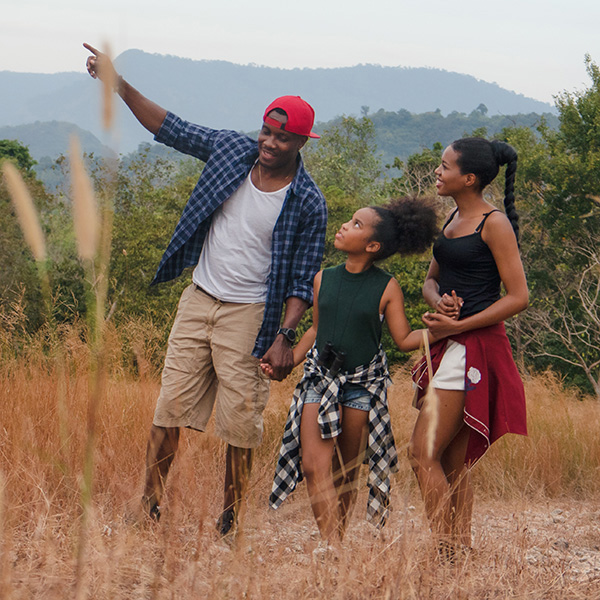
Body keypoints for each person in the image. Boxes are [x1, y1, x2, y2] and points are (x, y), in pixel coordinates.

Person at [83, 43, 328, 537]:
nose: (270, 142)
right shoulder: (231, 150)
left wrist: (285, 335)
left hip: (251, 315)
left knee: (240, 425)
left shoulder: (308, 202)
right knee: (169, 408)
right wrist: (117, 84)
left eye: (283, 137)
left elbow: (303, 279)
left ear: (301, 142)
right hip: (199, 298)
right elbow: (169, 127)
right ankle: (148, 506)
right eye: (266, 131)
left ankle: (231, 522)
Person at [268, 197, 440, 550]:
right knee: (314, 466)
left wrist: (450, 329)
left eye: (356, 224)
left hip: (362, 387)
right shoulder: (322, 279)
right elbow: (316, 329)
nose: (345, 225)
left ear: (372, 246)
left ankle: (337, 542)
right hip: (319, 380)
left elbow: (405, 339)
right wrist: (287, 361)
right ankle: (330, 546)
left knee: (345, 473)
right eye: (349, 220)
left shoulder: (387, 286)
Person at [409, 137, 529, 562]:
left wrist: (460, 324)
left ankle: (445, 553)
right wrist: (437, 303)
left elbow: (518, 297)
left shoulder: (493, 223)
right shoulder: (454, 218)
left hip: (474, 350)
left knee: (422, 453)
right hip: (451, 343)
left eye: (445, 166)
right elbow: (431, 281)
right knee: (454, 461)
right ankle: (459, 553)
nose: (438, 172)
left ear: (470, 178)